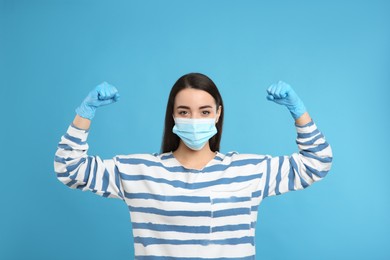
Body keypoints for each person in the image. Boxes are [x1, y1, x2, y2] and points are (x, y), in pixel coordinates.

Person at [54, 73, 332, 259]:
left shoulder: (247, 170)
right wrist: (84, 115)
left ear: (218, 114)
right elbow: (69, 168)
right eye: (184, 111)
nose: (194, 119)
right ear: (173, 115)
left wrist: (300, 113)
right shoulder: (140, 172)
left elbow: (316, 163)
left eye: (205, 112)